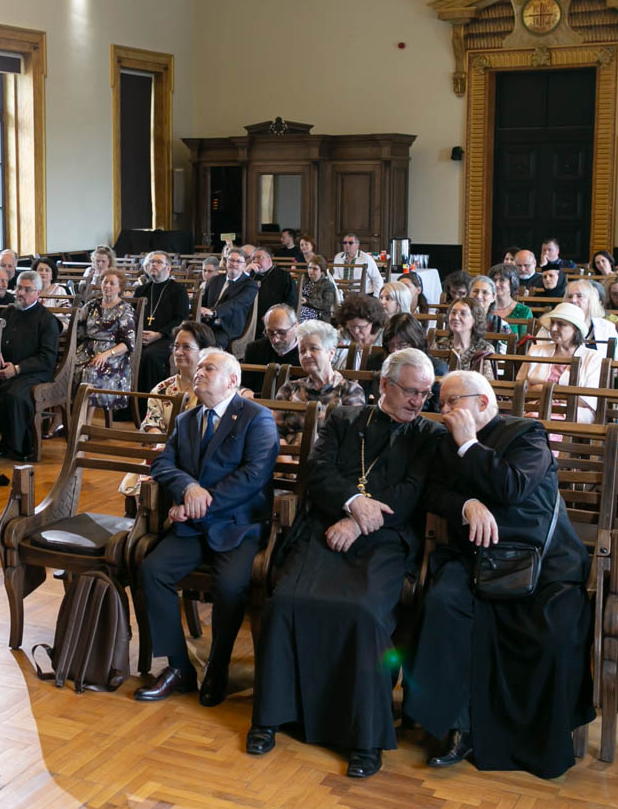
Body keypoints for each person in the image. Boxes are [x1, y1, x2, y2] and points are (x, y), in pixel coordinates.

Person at [248, 350, 443, 778]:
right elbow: (317, 473)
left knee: (363, 613)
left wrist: (359, 523)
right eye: (411, 391)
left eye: (426, 394)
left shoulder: (429, 435)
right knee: (286, 601)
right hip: (324, 528)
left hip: (386, 539)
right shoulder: (343, 419)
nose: (418, 402)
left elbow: (412, 492)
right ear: (386, 386)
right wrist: (353, 503)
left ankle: (365, 737)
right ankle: (270, 717)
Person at [404, 370, 592, 778]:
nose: (444, 409)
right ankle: (456, 727)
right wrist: (466, 505)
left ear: (483, 404)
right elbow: (433, 492)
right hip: (474, 555)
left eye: (454, 401)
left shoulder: (527, 434)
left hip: (541, 561)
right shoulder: (444, 443)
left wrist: (470, 444)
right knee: (442, 604)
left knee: (552, 628)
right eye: (442, 402)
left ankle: (536, 737)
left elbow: (513, 487)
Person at [133, 349, 281, 706]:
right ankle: (179, 667)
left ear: (232, 380)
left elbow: (252, 477)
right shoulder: (186, 420)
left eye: (208, 368)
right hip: (195, 525)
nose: (198, 372)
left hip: (237, 526)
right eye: (197, 368)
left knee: (230, 587)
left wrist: (202, 502)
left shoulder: (256, 418)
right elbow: (163, 464)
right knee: (152, 569)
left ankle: (218, 665)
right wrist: (189, 489)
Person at [0, 270, 62, 462]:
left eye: (27, 289)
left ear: (38, 293)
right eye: (18, 288)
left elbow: (47, 357)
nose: (20, 293)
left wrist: (16, 369)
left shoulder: (47, 320)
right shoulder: (9, 311)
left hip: (35, 372)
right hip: (5, 369)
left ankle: (19, 447)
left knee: (15, 395)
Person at [272, 320, 368, 439]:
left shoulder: (350, 390)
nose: (306, 355)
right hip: (287, 456)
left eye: (314, 348)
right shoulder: (289, 388)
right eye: (302, 351)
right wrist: (284, 458)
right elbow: (274, 433)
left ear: (331, 353)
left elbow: (351, 438)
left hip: (329, 455)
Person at [518, 306, 602, 420]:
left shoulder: (593, 357)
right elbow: (520, 387)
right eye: (552, 323)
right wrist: (566, 394)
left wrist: (543, 390)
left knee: (534, 420)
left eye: (561, 324)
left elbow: (588, 400)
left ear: (575, 329)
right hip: (534, 407)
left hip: (574, 413)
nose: (553, 328)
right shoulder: (536, 350)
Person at [75, 269, 137, 411]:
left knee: (91, 373)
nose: (107, 285)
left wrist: (106, 354)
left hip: (113, 355)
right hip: (86, 349)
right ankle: (62, 419)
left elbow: (128, 344)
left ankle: (84, 425)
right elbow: (77, 327)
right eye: (105, 282)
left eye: (112, 283)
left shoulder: (125, 309)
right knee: (68, 370)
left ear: (120, 288)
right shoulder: (91, 305)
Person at [135, 251, 192, 391]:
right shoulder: (141, 290)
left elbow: (181, 319)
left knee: (150, 355)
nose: (154, 264)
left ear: (168, 268)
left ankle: (151, 399)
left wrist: (159, 334)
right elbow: (133, 315)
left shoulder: (178, 290)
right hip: (141, 337)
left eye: (159, 262)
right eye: (151, 262)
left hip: (167, 337)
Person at [141, 321, 212, 433]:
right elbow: (150, 424)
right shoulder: (162, 389)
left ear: (204, 352)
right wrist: (156, 437)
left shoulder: (216, 389)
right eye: (176, 346)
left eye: (186, 347)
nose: (178, 352)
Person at [196, 248, 259, 346]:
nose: (234, 264)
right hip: (206, 324)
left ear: (244, 265)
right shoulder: (215, 280)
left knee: (210, 343)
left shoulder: (250, 284)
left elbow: (236, 303)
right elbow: (202, 301)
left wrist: (214, 312)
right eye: (231, 260)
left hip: (227, 328)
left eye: (238, 261)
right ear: (226, 262)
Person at [438, 297, 496, 377]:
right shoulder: (439, 345)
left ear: (475, 319)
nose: (455, 317)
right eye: (453, 313)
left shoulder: (485, 348)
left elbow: (488, 383)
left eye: (463, 314)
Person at [563, 279, 618, 359]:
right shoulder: (552, 325)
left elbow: (616, 357)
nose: (573, 300)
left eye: (579, 296)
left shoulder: (607, 327)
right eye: (569, 296)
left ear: (591, 301)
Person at [334, 293, 386, 370]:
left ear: (373, 322)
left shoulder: (383, 337)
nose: (356, 331)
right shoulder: (342, 334)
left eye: (361, 327)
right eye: (351, 326)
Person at [241, 303, 301, 369]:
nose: (275, 340)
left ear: (296, 327)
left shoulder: (306, 355)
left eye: (281, 332)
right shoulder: (254, 350)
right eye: (270, 333)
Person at [332, 232, 385, 296]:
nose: (347, 245)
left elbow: (377, 279)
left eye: (350, 243)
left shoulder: (366, 258)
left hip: (364, 295)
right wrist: (341, 284)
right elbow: (335, 274)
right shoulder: (338, 257)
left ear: (357, 245)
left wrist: (376, 297)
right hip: (342, 294)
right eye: (345, 243)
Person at [486, 263, 532, 334]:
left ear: (512, 283)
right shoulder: (484, 308)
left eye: (502, 280)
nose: (496, 284)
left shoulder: (524, 311)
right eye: (494, 280)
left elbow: (524, 342)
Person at [251, 248, 296, 313]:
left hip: (275, 316)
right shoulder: (250, 275)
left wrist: (276, 315)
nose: (255, 261)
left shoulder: (283, 275)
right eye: (253, 259)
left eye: (259, 257)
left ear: (269, 260)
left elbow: (291, 300)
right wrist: (245, 272)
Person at [298, 257, 340, 324]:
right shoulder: (304, 279)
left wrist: (307, 301)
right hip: (300, 309)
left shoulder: (327, 284)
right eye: (309, 268)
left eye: (315, 269)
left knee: (297, 317)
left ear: (322, 271)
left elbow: (326, 304)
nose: (311, 271)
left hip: (318, 314)